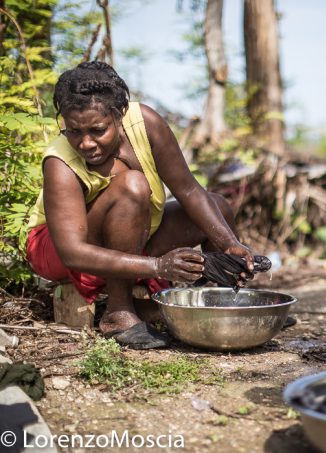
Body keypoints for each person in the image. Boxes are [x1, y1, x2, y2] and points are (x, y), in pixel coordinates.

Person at [25, 61, 256, 349]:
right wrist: (158, 266)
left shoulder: (145, 124)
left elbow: (188, 189)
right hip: (58, 249)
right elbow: (72, 253)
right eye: (74, 131)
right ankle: (119, 313)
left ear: (119, 115)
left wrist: (229, 244)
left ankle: (222, 302)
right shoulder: (60, 163)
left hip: (129, 236)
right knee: (133, 185)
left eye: (98, 130)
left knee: (217, 208)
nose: (85, 143)